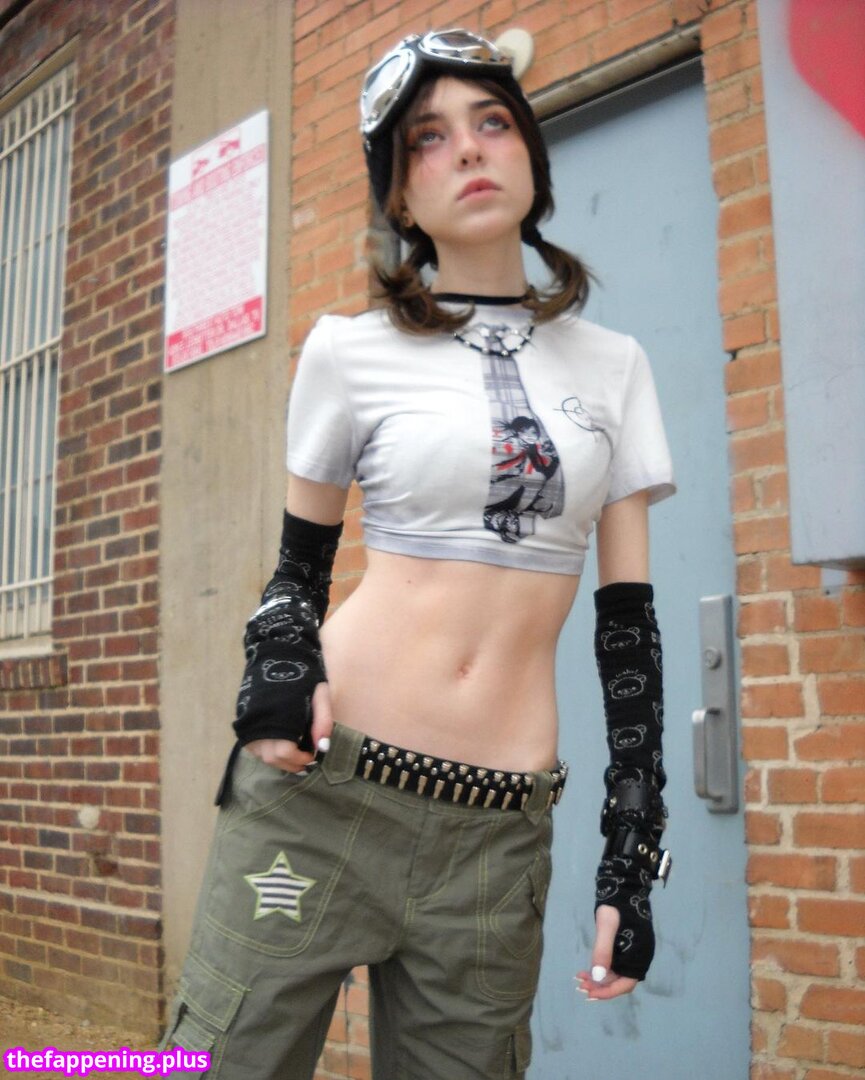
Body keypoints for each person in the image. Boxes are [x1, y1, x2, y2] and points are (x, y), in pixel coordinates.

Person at [161, 28, 675, 1080]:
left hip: (495, 837)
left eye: (492, 123)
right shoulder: (348, 350)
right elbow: (296, 578)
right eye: (428, 138)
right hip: (322, 794)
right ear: (398, 194)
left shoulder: (616, 367)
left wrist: (630, 852)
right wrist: (276, 663)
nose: (469, 149)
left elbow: (628, 630)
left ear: (530, 156)